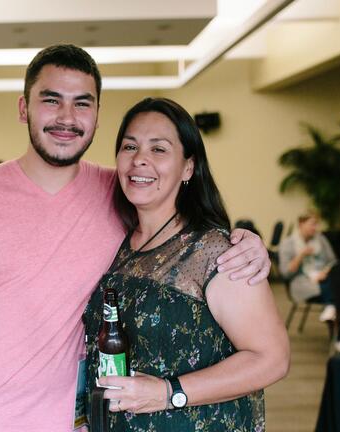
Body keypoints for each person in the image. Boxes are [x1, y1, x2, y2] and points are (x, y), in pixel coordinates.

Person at [0, 44, 271, 432]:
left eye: (82, 104)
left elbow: (182, 228)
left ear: (97, 117)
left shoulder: (120, 192)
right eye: (51, 100)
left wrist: (246, 244)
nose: (67, 117)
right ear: (23, 108)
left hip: (71, 421)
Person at [84, 97, 289, 431]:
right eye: (129, 146)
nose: (140, 160)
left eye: (159, 149)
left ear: (189, 168)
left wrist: (169, 393)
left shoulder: (215, 252)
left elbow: (272, 358)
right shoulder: (117, 240)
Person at [279, 211, 337, 321]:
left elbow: (332, 261)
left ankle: (332, 309)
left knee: (338, 284)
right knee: (338, 290)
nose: (316, 228)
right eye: (313, 224)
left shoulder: (320, 239)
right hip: (301, 282)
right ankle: (331, 307)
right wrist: (301, 255)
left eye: (317, 224)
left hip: (323, 276)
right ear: (301, 224)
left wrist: (324, 272)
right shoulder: (288, 243)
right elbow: (286, 273)